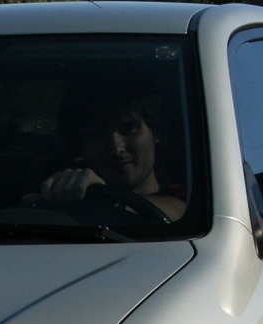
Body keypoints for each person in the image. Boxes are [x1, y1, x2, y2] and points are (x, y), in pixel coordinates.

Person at [35, 82, 186, 222]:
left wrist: (101, 199)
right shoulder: (56, 199)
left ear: (156, 131)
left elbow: (182, 212)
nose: (115, 148)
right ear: (79, 146)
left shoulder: (194, 199)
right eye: (95, 135)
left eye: (127, 129)